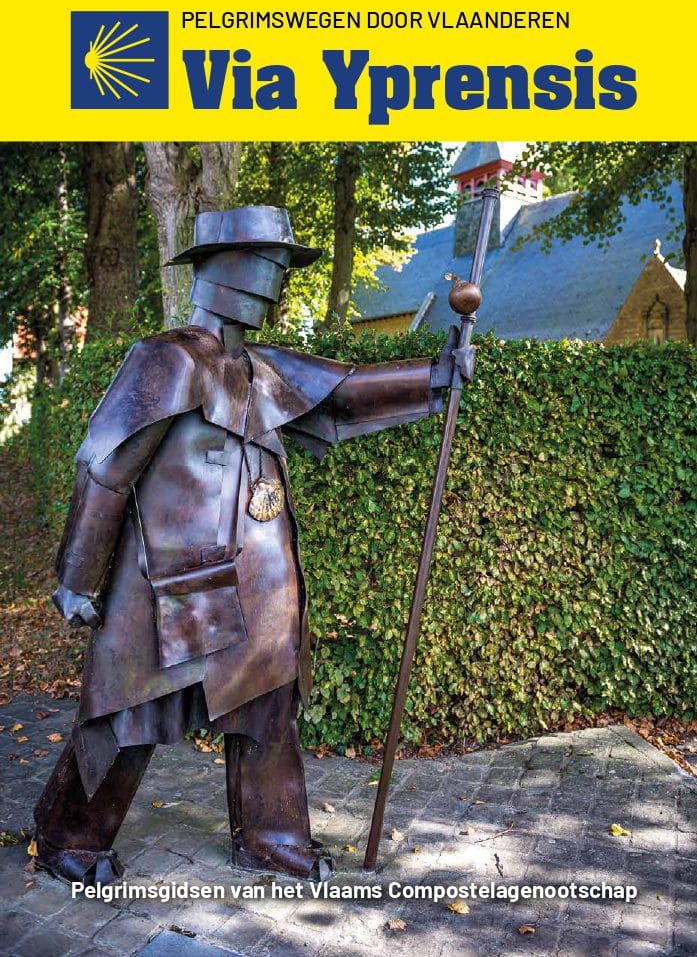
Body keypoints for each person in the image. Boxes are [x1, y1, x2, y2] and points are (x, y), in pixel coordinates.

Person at [34, 205, 472, 886]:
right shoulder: (168, 359)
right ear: (222, 267)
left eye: (282, 267)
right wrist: (78, 577)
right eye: (269, 263)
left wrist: (434, 377)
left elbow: (342, 393)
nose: (276, 281)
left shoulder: (260, 369)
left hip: (256, 582)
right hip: (165, 580)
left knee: (267, 709)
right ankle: (70, 834)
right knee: (127, 712)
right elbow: (107, 466)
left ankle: (271, 837)